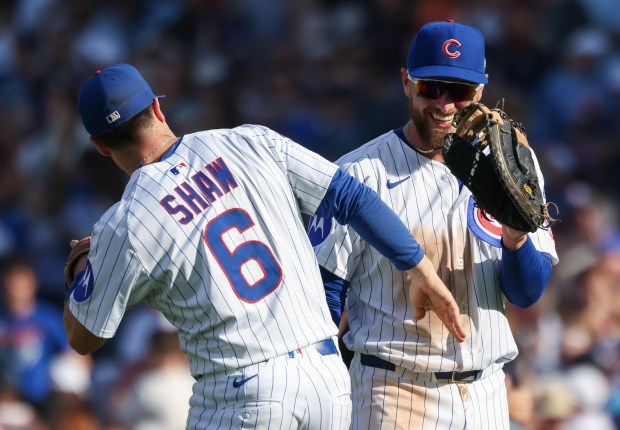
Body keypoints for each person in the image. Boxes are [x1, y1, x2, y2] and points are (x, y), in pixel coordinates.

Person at [63, 63, 466, 429]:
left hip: (241, 391)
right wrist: (421, 268)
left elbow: (84, 337)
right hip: (327, 380)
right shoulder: (251, 141)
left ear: (99, 145)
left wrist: (84, 265)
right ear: (157, 108)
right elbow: (352, 197)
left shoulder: (126, 221)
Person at [308, 20, 559, 430]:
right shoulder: (357, 174)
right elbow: (324, 296)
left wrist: (515, 238)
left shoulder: (516, 168)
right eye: (431, 88)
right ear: (407, 82)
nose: (443, 104)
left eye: (458, 91)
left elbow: (527, 292)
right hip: (392, 390)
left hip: (486, 395)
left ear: (480, 90)